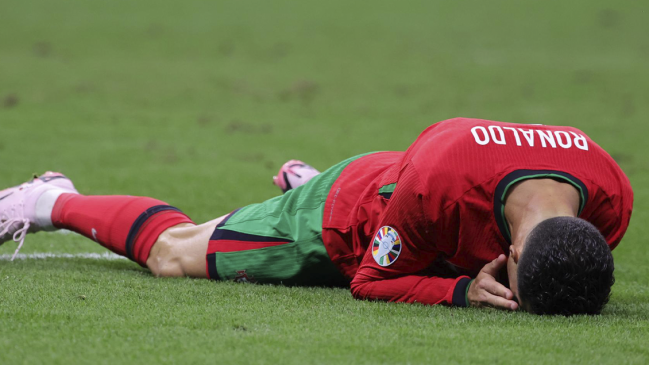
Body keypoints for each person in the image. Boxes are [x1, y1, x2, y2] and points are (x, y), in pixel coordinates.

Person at [0, 118, 633, 315]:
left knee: (416, 218)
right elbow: (370, 282)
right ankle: (49, 199)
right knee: (173, 254)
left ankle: (298, 183)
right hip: (349, 214)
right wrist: (462, 290)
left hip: (413, 199)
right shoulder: (440, 180)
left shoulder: (612, 201)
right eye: (519, 291)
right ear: (515, 252)